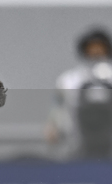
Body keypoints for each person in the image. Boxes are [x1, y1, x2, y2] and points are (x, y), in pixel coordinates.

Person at [46, 28, 112, 159]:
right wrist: (53, 126)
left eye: (100, 48)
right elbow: (58, 107)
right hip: (78, 143)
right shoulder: (69, 80)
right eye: (92, 48)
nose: (96, 52)